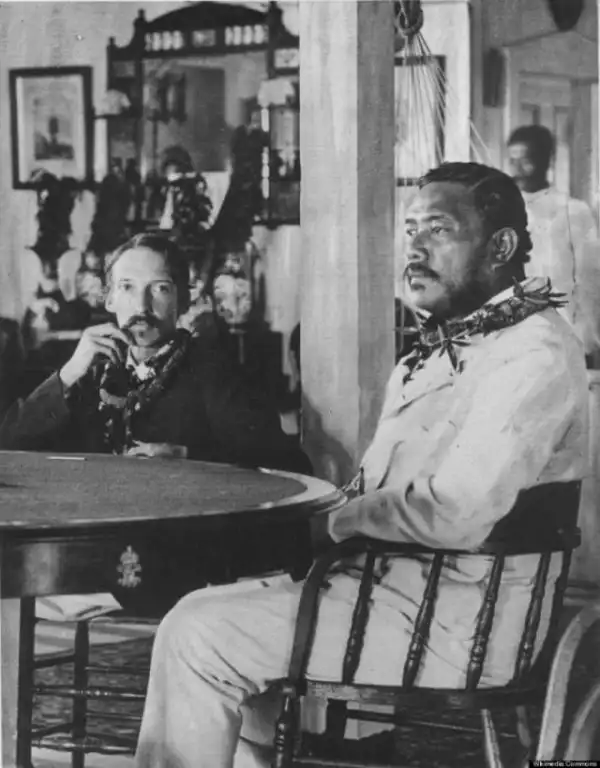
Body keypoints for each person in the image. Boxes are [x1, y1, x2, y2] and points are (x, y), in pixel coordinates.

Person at [133, 162, 589, 768]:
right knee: (209, 606)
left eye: (439, 230)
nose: (416, 248)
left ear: (501, 247)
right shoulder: (445, 348)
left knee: (197, 632)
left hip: (455, 624)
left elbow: (456, 511)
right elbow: (376, 485)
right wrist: (311, 515)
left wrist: (334, 523)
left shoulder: (533, 353)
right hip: (397, 591)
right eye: (411, 230)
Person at [0, 233, 309, 472]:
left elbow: (289, 464)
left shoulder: (214, 371)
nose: (141, 306)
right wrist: (68, 374)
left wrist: (191, 457)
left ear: (183, 300)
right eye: (127, 287)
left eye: (159, 288)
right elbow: (9, 448)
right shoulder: (88, 371)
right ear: (109, 299)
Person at [507, 124, 600, 353]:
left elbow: (589, 278)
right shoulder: (501, 211)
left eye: (525, 161)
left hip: (563, 331)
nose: (517, 170)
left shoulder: (573, 210)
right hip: (513, 332)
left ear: (545, 161)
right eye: (512, 161)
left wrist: (587, 337)